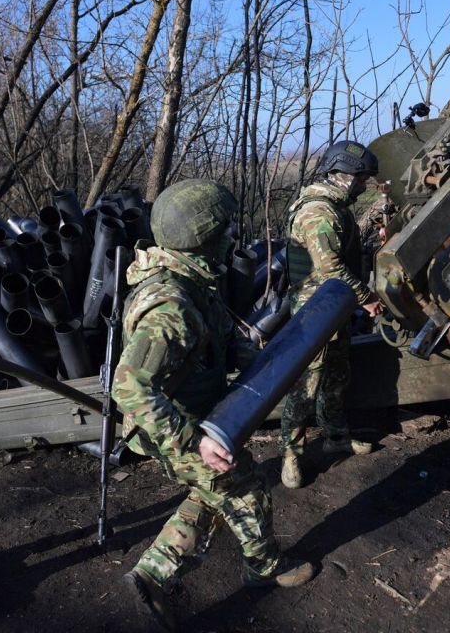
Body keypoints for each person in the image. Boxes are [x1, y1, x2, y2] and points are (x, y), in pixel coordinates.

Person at [113, 179, 314, 632]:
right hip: (174, 425)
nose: (231, 239)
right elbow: (129, 388)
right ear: (204, 238)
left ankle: (150, 577)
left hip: (194, 415)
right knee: (243, 486)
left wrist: (273, 369)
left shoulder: (192, 281)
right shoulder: (171, 306)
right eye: (223, 231)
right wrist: (192, 442)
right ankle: (264, 569)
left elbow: (224, 340)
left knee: (213, 490)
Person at [279, 140, 386, 489]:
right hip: (315, 309)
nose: (364, 185)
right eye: (362, 179)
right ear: (345, 175)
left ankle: (335, 435)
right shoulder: (318, 212)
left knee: (338, 371)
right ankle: (291, 454)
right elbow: (330, 269)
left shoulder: (336, 206)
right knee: (305, 382)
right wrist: (366, 297)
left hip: (333, 306)